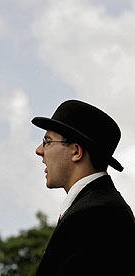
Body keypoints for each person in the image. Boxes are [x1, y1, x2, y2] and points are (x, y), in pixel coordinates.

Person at [32, 99, 135, 276]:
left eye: (47, 141)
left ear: (76, 152)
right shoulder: (96, 207)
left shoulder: (94, 214)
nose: (39, 150)